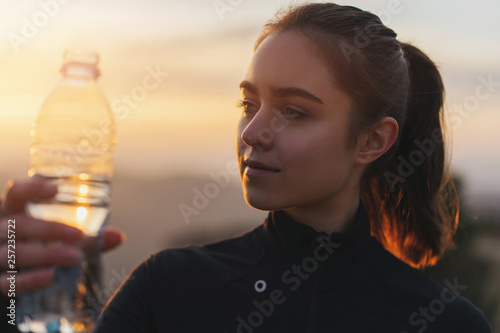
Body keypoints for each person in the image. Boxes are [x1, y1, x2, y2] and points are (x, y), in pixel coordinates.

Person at [0, 3, 493, 332]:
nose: (253, 133)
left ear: (373, 140)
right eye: (249, 104)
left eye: (294, 112)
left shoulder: (445, 323)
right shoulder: (169, 287)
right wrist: (14, 302)